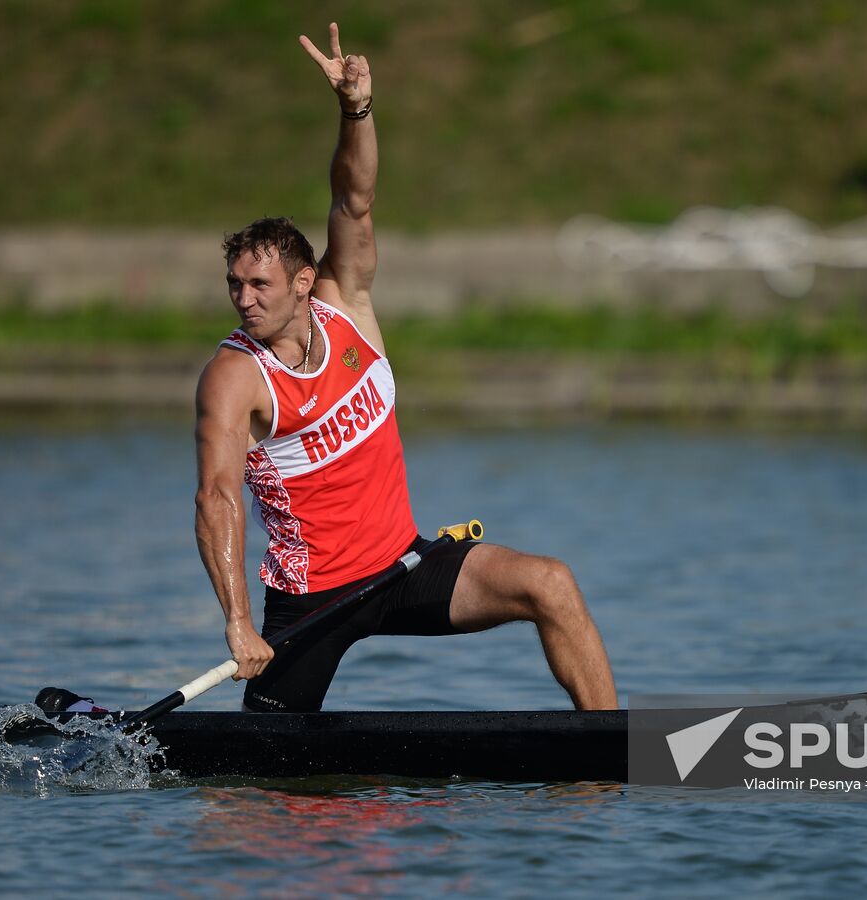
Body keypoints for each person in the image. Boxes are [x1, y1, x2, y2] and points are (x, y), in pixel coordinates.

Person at [193, 24, 618, 713]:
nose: (243, 299)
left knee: (552, 584)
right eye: (234, 285)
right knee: (265, 794)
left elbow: (352, 199)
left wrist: (355, 109)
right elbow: (215, 499)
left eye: (259, 286)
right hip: (312, 601)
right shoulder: (235, 376)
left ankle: (612, 752)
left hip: (403, 566)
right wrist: (239, 621)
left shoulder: (344, 302)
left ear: (304, 283)